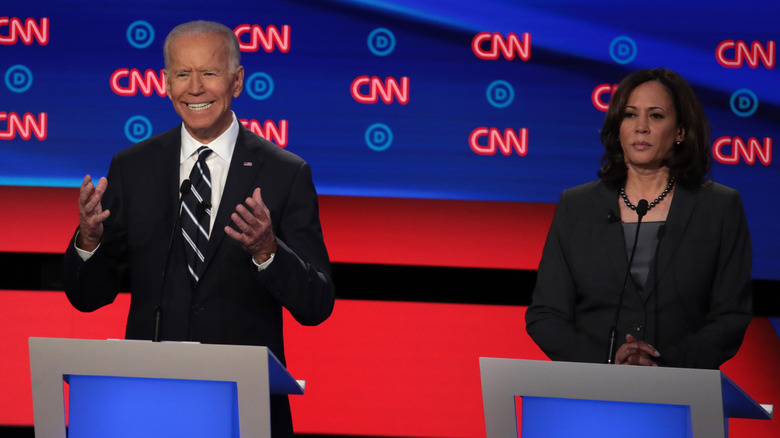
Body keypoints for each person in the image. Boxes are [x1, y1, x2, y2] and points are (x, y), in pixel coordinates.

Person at [61, 20, 335, 437]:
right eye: (182, 74)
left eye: (209, 72)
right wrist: (89, 241)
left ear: (237, 80)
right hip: (148, 403)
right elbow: (88, 297)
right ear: (165, 83)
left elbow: (317, 304)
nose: (195, 88)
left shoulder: (285, 174)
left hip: (243, 409)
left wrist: (268, 252)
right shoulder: (132, 167)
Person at [525, 68, 752, 369]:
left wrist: (664, 364)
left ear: (681, 131)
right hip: (592, 393)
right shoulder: (576, 206)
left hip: (681, 392)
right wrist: (607, 363)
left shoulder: (719, 208)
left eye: (656, 116)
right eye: (630, 115)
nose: (641, 127)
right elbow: (545, 315)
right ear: (617, 127)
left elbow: (731, 316)